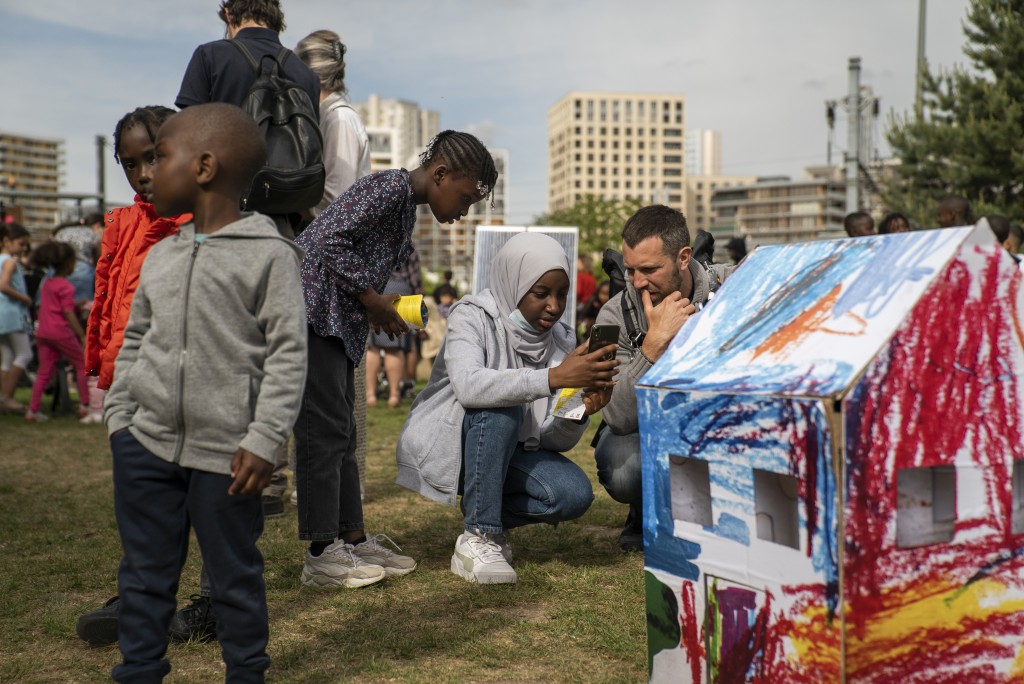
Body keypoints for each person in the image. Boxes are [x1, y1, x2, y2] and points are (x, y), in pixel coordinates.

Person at [104, 102, 307, 682]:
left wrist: (265, 438)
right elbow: (137, 338)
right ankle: (139, 670)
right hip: (145, 445)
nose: (147, 172)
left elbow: (287, 354)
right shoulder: (162, 256)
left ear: (205, 167)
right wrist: (122, 422)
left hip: (230, 457)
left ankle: (246, 672)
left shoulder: (270, 256)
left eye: (160, 157)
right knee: (144, 574)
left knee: (234, 577)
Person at [294, 129, 498, 588]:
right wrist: (370, 298)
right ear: (441, 173)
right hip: (311, 318)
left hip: (336, 322)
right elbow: (323, 242)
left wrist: (380, 306)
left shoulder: (405, 206)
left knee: (343, 433)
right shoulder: (389, 188)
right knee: (322, 434)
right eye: (464, 200)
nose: (463, 212)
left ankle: (351, 537)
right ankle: (321, 553)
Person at [396, 232, 618, 584]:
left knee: (573, 494)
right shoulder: (471, 316)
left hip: (511, 451)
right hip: (457, 444)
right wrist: (554, 377)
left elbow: (550, 440)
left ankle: (486, 512)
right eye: (541, 293)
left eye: (562, 294)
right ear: (513, 284)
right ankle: (480, 536)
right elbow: (470, 387)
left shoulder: (562, 338)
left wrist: (579, 412)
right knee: (500, 408)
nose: (554, 306)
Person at [74, 106, 198, 646]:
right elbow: (105, 296)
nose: (143, 174)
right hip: (128, 379)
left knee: (204, 495)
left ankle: (214, 600)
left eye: (152, 158)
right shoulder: (123, 223)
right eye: (130, 164)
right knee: (141, 496)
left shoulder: (202, 224)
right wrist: (101, 360)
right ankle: (141, 593)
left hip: (185, 382)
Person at [592, 205, 734, 552]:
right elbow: (616, 417)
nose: (638, 281)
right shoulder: (612, 315)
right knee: (624, 470)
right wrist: (652, 347)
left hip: (718, 419)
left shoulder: (732, 287)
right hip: (644, 427)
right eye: (630, 270)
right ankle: (643, 510)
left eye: (650, 269)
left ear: (683, 257)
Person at [294, 29, 370, 216]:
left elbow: (336, 199)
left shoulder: (340, 119)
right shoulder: (325, 116)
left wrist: (291, 204)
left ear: (307, 73)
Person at [23, 242, 89, 423]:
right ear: (68, 264)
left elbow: (54, 307)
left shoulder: (48, 283)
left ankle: (32, 410)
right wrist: (82, 335)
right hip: (60, 332)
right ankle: (85, 405)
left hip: (43, 332)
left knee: (44, 371)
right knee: (81, 364)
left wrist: (74, 305)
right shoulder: (67, 287)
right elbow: (67, 314)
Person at [0, 222, 32, 414]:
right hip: (12, 313)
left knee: (7, 357)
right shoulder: (10, 262)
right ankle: (7, 398)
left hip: (2, 314)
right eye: (21, 244)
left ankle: (2, 399)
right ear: (6, 241)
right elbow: (3, 286)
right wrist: (25, 298)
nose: (23, 249)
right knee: (25, 354)